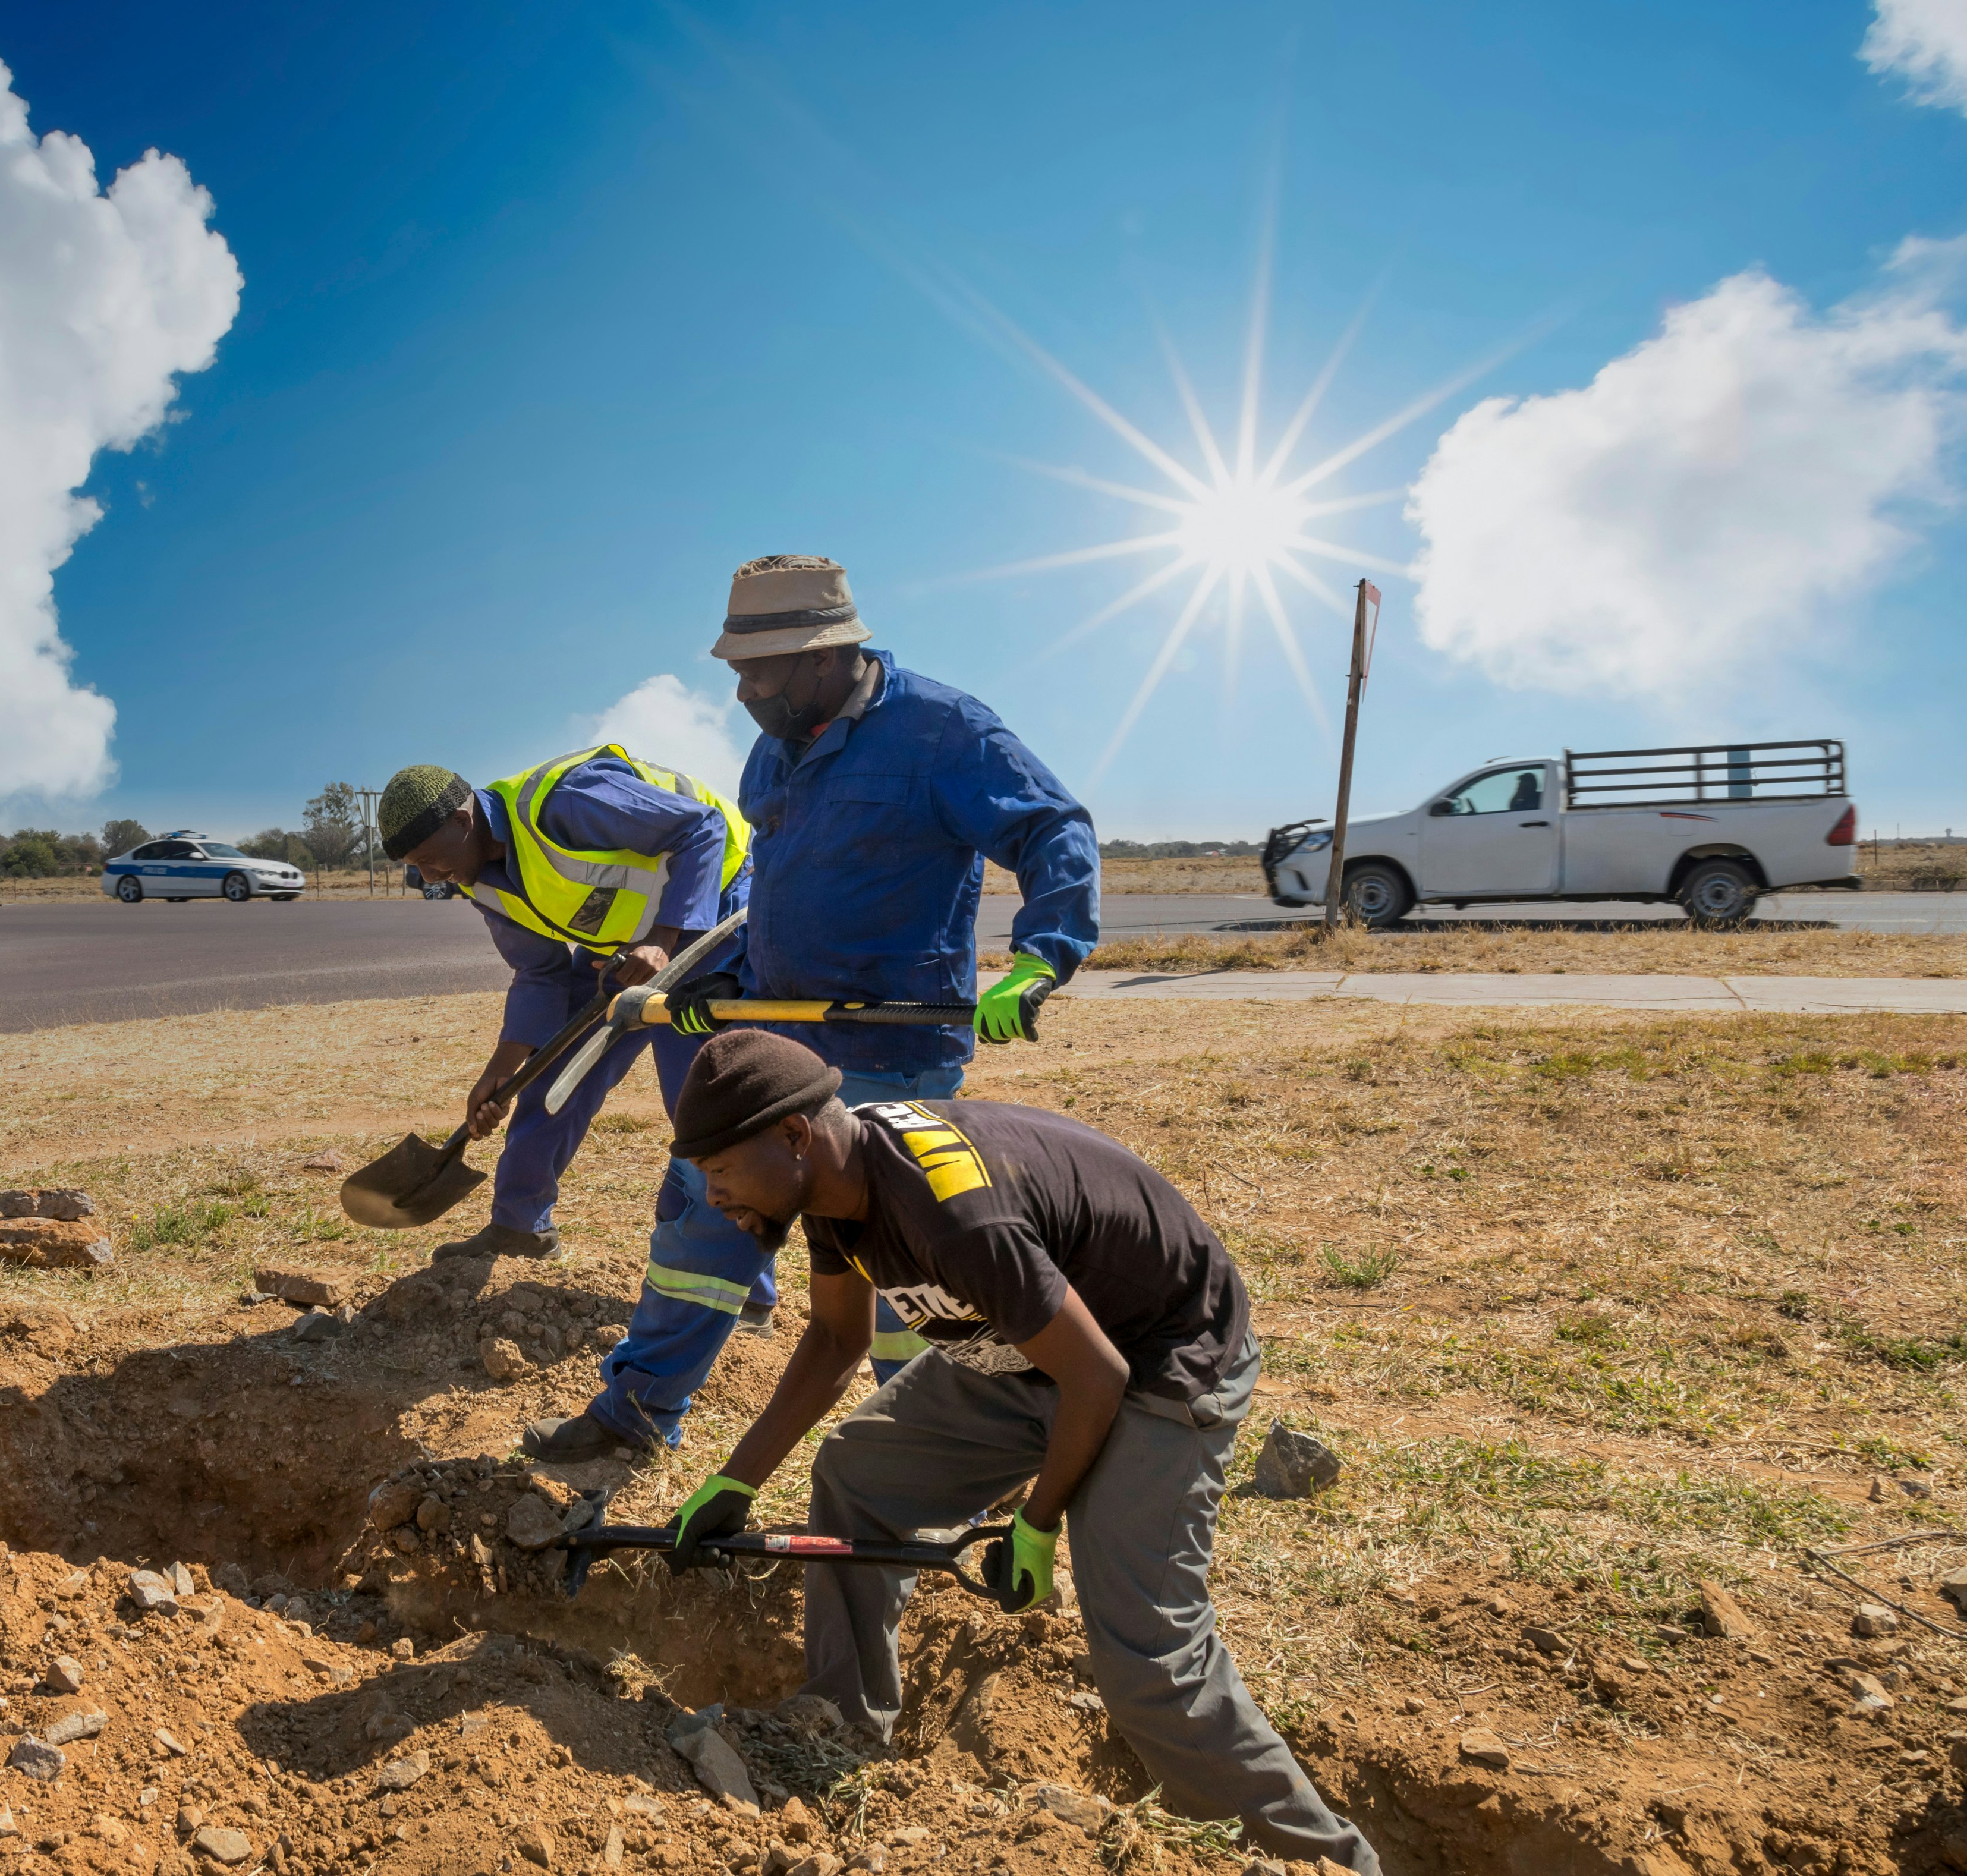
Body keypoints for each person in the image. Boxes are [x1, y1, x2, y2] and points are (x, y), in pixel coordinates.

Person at [663, 1030, 1381, 1876]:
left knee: (1149, 1661)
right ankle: (841, 1725)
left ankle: (1327, 1864)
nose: (711, 1196)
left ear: (792, 1137)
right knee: (857, 1475)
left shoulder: (954, 1213)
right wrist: (734, 1480)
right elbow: (831, 1338)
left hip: (1153, 1361)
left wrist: (1036, 1525)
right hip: (1028, 1350)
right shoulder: (829, 1184)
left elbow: (1099, 1377)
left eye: (720, 1173)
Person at [521, 552, 1100, 1465]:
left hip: (890, 1048)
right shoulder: (773, 751)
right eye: (737, 671)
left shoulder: (943, 732)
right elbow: (777, 891)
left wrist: (1039, 959)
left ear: (828, 655)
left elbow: (1050, 828)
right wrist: (722, 976)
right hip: (779, 1036)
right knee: (702, 1216)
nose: (744, 691)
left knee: (905, 1270)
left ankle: (932, 1454)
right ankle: (635, 1415)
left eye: (762, 671)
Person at [379, 752, 759, 1300]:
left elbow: (703, 828)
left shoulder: (566, 803)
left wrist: (664, 939)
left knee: (698, 1101)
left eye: (428, 860)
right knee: (554, 1074)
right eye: (415, 867)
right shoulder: (476, 878)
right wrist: (503, 1069)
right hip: (631, 944)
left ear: (462, 822)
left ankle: (744, 1293)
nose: (428, 876)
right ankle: (520, 1227)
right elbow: (539, 970)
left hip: (712, 909)